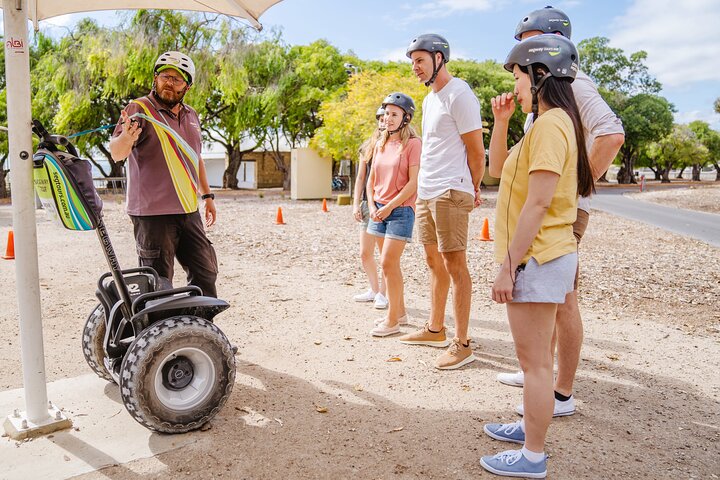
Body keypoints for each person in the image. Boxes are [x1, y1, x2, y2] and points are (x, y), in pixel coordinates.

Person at [497, 6, 625, 418]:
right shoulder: (542, 104)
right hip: (548, 206)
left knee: (563, 298)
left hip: (559, 211)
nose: (521, 49)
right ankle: (540, 371)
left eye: (529, 40)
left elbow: (611, 133)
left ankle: (561, 391)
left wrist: (578, 184)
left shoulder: (573, 85)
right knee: (550, 296)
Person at [479, 34, 594, 479]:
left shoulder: (551, 125)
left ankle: (532, 456)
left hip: (537, 257)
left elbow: (539, 203)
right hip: (542, 256)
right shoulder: (546, 123)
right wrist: (503, 121)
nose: (515, 86)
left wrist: (508, 265)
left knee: (534, 364)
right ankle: (529, 427)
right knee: (532, 364)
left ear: (540, 74)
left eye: (518, 78)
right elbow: (495, 171)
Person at [399, 34, 485, 369]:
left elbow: (476, 152)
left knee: (455, 265)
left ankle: (462, 343)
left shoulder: (459, 93)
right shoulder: (431, 99)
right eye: (412, 62)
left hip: (451, 190)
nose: (415, 68)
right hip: (428, 191)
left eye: (419, 60)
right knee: (433, 263)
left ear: (439, 58)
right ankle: (435, 329)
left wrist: (473, 187)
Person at [109, 51, 219, 297]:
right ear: (155, 79)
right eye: (165, 76)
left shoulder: (192, 115)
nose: (169, 82)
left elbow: (195, 157)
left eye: (177, 79)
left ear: (187, 86)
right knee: (158, 284)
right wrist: (126, 137)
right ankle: (161, 334)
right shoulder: (139, 108)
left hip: (188, 211)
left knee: (206, 274)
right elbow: (117, 153)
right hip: (152, 214)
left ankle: (198, 331)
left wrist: (208, 196)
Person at [366, 93, 421, 337]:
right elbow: (371, 180)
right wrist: (373, 206)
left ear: (405, 118)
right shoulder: (380, 143)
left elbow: (413, 184)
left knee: (388, 262)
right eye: (386, 113)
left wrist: (388, 207)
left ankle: (391, 322)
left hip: (400, 210)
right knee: (390, 265)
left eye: (394, 114)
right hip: (378, 210)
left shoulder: (413, 145)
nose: (388, 118)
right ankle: (400, 313)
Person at [352, 107, 388, 310]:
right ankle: (374, 290)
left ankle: (384, 293)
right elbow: (360, 178)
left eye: (387, 117)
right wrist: (356, 203)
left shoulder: (395, 145)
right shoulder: (368, 147)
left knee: (385, 255)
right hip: (367, 204)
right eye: (381, 118)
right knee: (365, 253)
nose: (384, 121)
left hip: (384, 204)